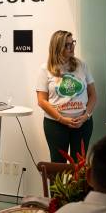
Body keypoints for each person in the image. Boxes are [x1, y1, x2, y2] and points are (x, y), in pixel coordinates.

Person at [36, 30, 97, 163]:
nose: (72, 47)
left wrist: (86, 116)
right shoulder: (45, 69)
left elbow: (93, 95)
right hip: (56, 124)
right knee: (58, 167)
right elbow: (41, 101)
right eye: (67, 45)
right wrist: (61, 119)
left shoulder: (82, 65)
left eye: (72, 43)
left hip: (82, 124)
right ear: (57, 47)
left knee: (79, 167)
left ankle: (76, 186)